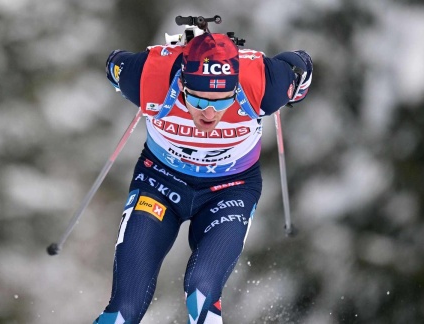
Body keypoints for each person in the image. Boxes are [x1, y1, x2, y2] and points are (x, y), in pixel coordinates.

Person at [94, 29, 312, 324]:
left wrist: (296, 91)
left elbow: (300, 66)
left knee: (202, 291)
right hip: (159, 184)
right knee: (123, 309)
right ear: (182, 83)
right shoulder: (150, 74)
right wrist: (161, 56)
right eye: (197, 101)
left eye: (222, 101)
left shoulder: (262, 82)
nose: (209, 113)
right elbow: (113, 64)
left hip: (230, 190)